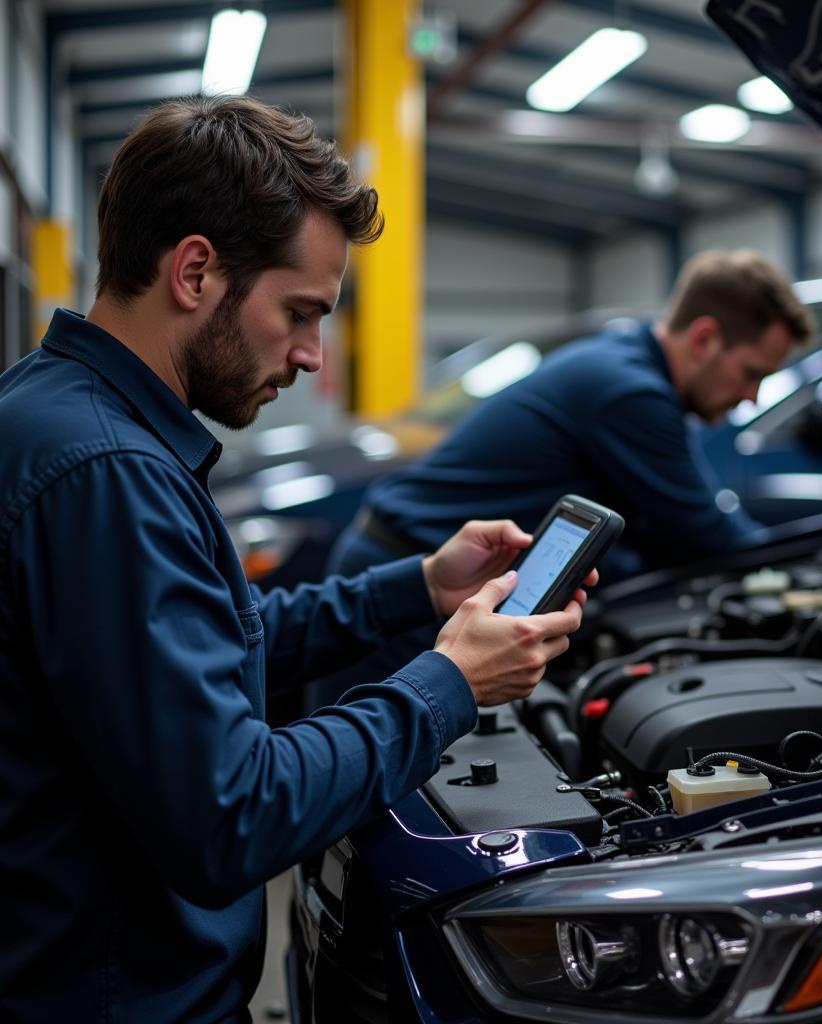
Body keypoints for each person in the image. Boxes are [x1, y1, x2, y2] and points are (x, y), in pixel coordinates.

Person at [0, 96, 593, 1022]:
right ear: (196, 271)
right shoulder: (105, 472)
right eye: (301, 311)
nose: (315, 356)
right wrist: (449, 685)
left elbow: (207, 645)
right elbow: (232, 815)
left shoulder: (64, 415)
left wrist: (422, 588)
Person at [329, 248, 816, 582]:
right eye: (751, 372)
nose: (752, 397)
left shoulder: (625, 360)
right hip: (402, 582)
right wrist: (801, 562)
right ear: (705, 339)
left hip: (406, 567)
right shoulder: (631, 392)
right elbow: (706, 536)